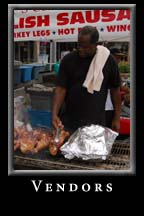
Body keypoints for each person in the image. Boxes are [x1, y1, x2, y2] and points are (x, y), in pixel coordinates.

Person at [52, 26, 121, 134]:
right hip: (70, 122)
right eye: (79, 45)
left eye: (85, 47)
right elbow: (61, 88)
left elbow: (115, 90)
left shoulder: (108, 61)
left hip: (96, 124)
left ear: (95, 44)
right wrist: (54, 114)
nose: (80, 49)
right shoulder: (68, 60)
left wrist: (117, 117)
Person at [105, 48, 122, 128]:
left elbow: (117, 88)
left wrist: (116, 117)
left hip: (110, 108)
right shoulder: (106, 68)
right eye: (117, 57)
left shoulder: (115, 68)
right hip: (104, 108)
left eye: (120, 58)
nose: (119, 60)